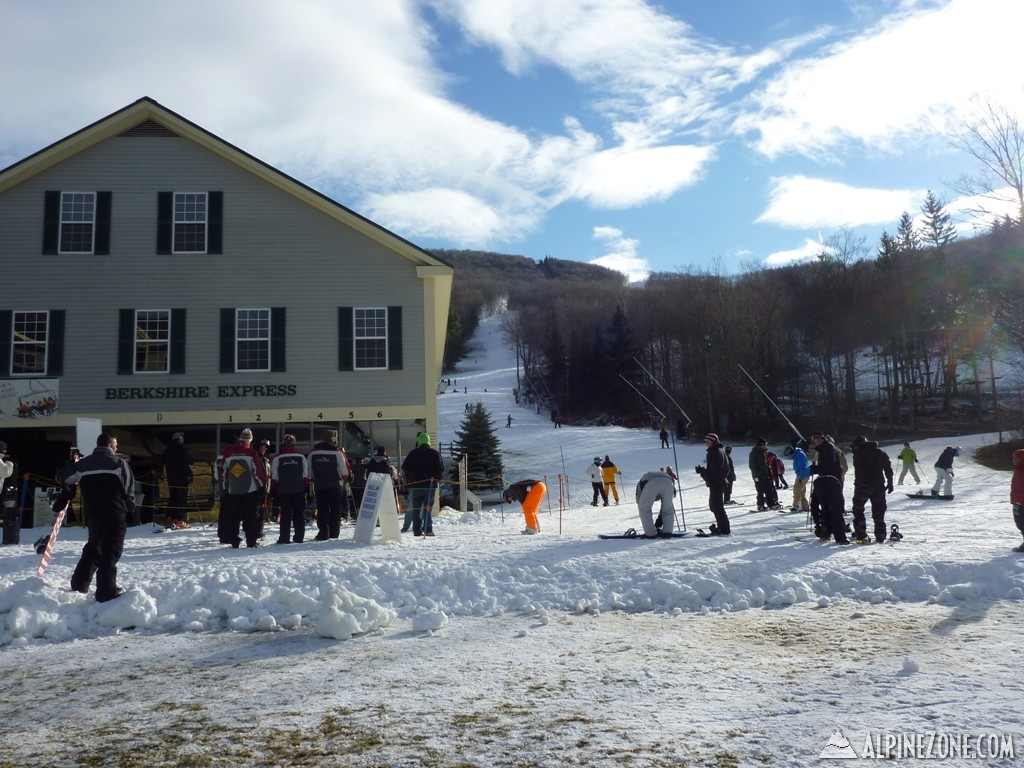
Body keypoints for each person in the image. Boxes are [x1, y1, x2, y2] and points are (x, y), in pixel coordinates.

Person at [59, 433, 135, 602]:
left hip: (93, 514)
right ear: (109, 445)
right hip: (115, 512)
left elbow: (62, 478)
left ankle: (79, 583)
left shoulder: (83, 464)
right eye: (115, 445)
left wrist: (71, 464)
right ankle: (106, 590)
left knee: (94, 547)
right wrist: (131, 508)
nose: (117, 448)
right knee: (111, 549)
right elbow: (128, 488)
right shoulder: (119, 463)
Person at [220, 427, 267, 548]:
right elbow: (257, 472)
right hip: (249, 490)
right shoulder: (252, 453)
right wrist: (261, 486)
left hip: (233, 491)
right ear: (250, 440)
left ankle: (234, 540)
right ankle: (251, 541)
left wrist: (225, 488)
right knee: (251, 516)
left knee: (233, 516)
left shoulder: (228, 452)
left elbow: (224, 472)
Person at [848, 435, 894, 544]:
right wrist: (890, 482)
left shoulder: (859, 454)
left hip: (863, 486)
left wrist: (858, 486)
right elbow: (888, 468)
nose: (853, 450)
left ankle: (861, 532)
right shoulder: (881, 453)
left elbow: (859, 472)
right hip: (879, 486)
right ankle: (880, 534)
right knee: (879, 510)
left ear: (858, 445)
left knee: (858, 509)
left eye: (853, 447)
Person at [308, 429, 352, 539]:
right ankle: (334, 533)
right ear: (333, 439)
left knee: (322, 509)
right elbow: (344, 472)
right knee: (335, 508)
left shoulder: (313, 452)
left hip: (319, 485)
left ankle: (323, 533)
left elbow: (308, 471)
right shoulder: (337, 453)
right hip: (334, 485)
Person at [808, 432, 849, 544]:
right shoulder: (822, 449)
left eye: (818, 438)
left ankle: (840, 537)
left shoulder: (829, 447)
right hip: (824, 480)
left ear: (823, 438)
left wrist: (817, 469)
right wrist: (817, 469)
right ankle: (825, 531)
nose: (816, 441)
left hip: (832, 481)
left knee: (835, 509)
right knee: (824, 507)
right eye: (813, 438)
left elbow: (831, 462)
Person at [401, 431, 444, 536]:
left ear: (419, 441)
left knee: (416, 509)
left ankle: (417, 531)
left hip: (415, 486)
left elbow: (404, 467)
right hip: (429, 486)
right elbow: (440, 468)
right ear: (428, 441)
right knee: (427, 508)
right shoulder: (434, 453)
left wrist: (411, 477)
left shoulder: (412, 453)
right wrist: (436, 478)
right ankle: (428, 529)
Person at [270, 434, 308, 544]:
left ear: (283, 444)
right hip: (298, 489)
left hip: (283, 490)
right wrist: (305, 487)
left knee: (285, 515)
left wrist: (273, 489)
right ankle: (299, 537)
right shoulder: (301, 457)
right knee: (299, 514)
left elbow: (274, 476)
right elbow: (305, 474)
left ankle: (284, 537)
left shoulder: (278, 457)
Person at [695, 433, 730, 535]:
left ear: (713, 441)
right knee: (715, 505)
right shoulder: (716, 451)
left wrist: (702, 471)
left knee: (716, 506)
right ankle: (722, 528)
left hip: (717, 483)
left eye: (708, 441)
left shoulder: (715, 452)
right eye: (705, 441)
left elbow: (713, 471)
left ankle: (724, 529)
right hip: (717, 482)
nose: (706, 443)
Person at [160, 431, 193, 530]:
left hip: (171, 478)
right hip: (182, 479)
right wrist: (190, 475)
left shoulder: (168, 450)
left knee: (173, 498)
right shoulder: (182, 450)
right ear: (180, 439)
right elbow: (184, 465)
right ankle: (179, 519)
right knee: (181, 499)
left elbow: (161, 461)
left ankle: (170, 518)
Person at [635, 470, 676, 538]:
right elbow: (673, 493)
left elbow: (639, 501)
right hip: (668, 481)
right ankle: (667, 532)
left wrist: (641, 503)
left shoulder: (640, 483)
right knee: (668, 508)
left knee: (644, 509)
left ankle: (650, 533)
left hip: (651, 482)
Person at [748, 438, 778, 511]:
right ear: (760, 445)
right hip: (758, 476)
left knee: (769, 489)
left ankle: (771, 504)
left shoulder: (763, 452)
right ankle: (760, 505)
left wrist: (769, 472)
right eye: (763, 445)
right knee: (760, 490)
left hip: (765, 474)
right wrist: (759, 474)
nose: (765, 447)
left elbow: (766, 463)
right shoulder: (754, 453)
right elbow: (752, 466)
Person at [789, 440, 812, 513]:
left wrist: (801, 477)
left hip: (803, 474)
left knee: (797, 489)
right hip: (801, 474)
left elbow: (803, 466)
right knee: (800, 491)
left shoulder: (799, 454)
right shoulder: (797, 454)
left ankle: (797, 506)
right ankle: (803, 506)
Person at [256, 438, 273, 530]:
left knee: (263, 511)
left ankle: (260, 530)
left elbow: (268, 475)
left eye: (266, 447)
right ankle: (255, 530)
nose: (265, 449)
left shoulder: (265, 460)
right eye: (263, 447)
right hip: (256, 490)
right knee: (256, 511)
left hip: (265, 490)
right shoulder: (254, 459)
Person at [1010, 448, 1024, 553]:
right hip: (1019, 500)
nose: (1013, 460)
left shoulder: (1021, 471)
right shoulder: (1019, 469)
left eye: (1014, 458)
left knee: (1021, 523)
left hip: (1021, 502)